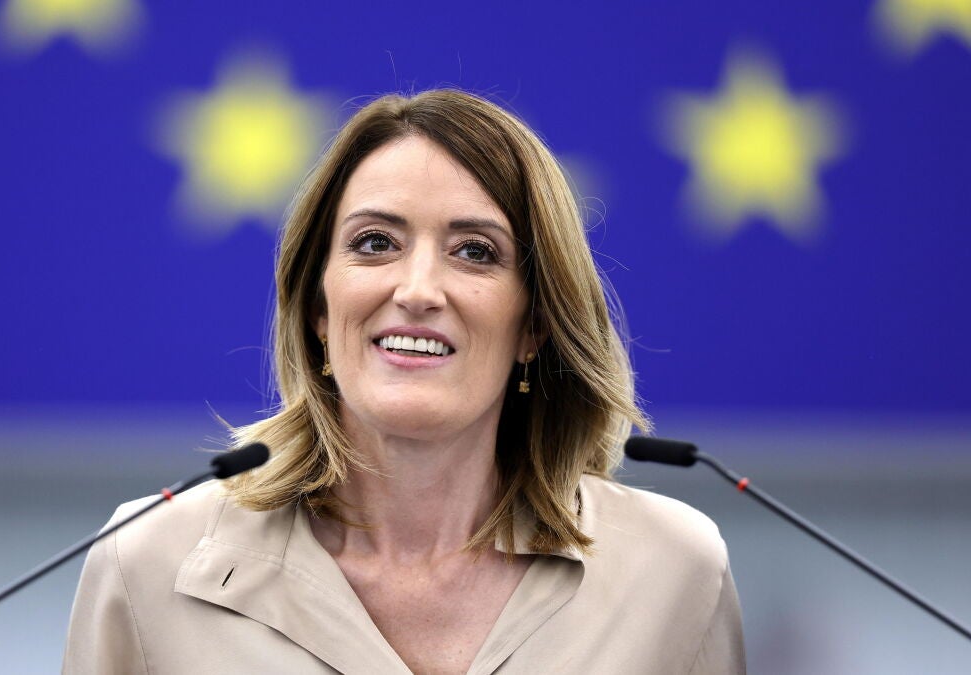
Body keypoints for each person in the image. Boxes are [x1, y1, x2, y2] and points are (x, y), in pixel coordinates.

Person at [64, 89, 744, 674]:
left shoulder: (672, 570)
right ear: (319, 308)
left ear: (535, 325)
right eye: (375, 243)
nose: (418, 290)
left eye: (474, 251)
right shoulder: (148, 560)